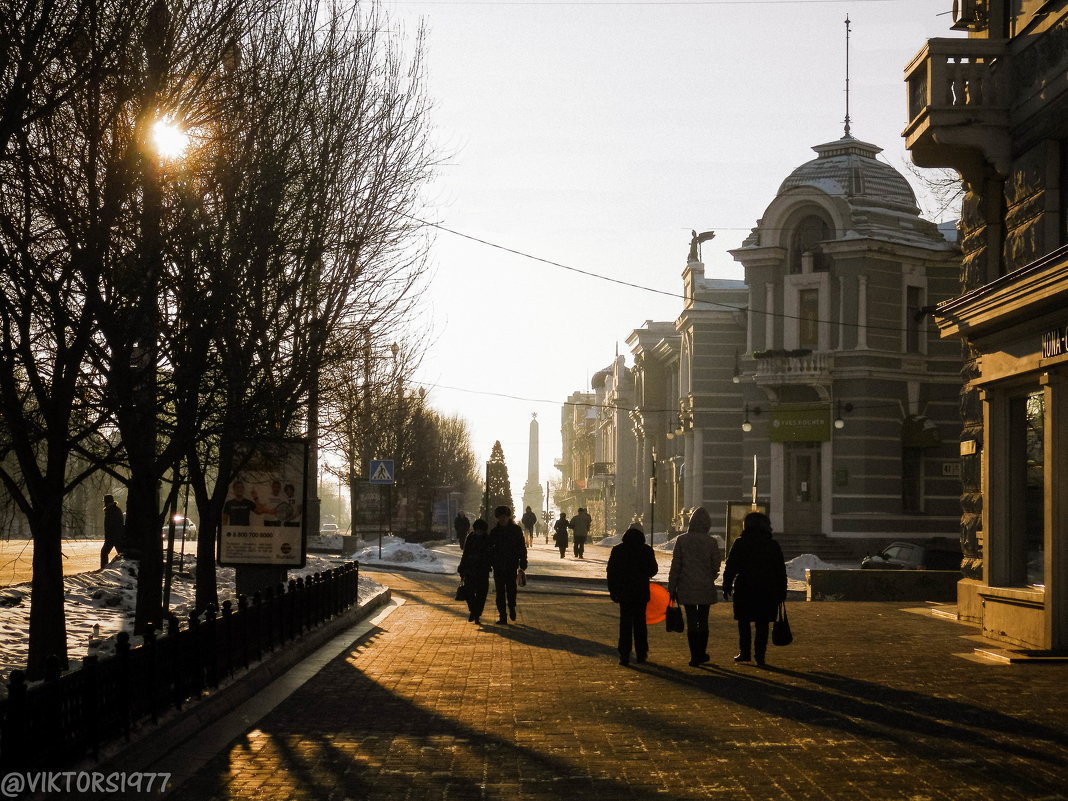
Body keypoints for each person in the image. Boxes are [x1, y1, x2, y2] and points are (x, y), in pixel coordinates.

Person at [722, 511, 787, 666]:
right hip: (767, 590)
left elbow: (731, 567)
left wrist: (726, 585)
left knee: (744, 623)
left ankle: (745, 653)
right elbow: (780, 570)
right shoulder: (772, 545)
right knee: (762, 624)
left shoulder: (740, 543)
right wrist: (782, 591)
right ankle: (760, 655)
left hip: (745, 588)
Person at [667, 507, 722, 667]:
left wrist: (672, 587)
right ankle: (702, 652)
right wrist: (710, 575)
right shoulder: (711, 542)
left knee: (691, 621)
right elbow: (716, 564)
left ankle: (694, 656)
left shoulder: (682, 540)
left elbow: (675, 565)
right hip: (705, 587)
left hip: (686, 586)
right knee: (703, 620)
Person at [607, 527, 658, 666]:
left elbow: (611, 572)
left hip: (624, 593)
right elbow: (653, 570)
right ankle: (641, 653)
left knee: (625, 624)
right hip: (641, 592)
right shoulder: (646, 550)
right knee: (640, 623)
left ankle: (624, 654)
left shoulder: (618, 550)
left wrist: (613, 590)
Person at [489, 506, 528, 624]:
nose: (502, 519)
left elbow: (522, 547)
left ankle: (511, 607)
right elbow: (490, 548)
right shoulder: (495, 532)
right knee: (500, 591)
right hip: (498, 565)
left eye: (504, 517)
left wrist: (523, 561)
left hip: (511, 564)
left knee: (511, 589)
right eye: (500, 517)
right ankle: (502, 616)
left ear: (508, 517)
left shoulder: (516, 530)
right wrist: (491, 561)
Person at [458, 518, 492, 624]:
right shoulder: (470, 538)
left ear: (484, 531)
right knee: (469, 592)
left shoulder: (487, 539)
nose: (478, 532)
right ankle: (474, 611)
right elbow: (465, 553)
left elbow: (490, 555)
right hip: (470, 569)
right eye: (477, 530)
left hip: (482, 570)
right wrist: (462, 566)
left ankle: (476, 614)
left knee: (482, 594)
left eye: (481, 530)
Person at [100, 494, 125, 569]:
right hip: (116, 537)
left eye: (105, 501)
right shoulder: (114, 510)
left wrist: (110, 537)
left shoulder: (111, 511)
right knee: (121, 554)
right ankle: (123, 568)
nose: (104, 503)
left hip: (113, 537)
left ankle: (104, 568)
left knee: (104, 553)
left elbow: (112, 526)